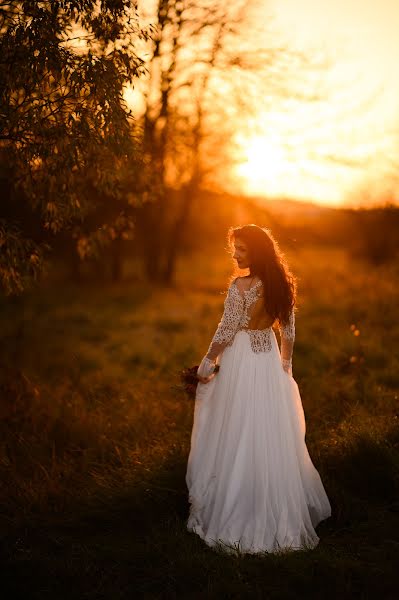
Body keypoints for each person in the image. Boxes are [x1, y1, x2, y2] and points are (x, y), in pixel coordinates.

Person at [185, 224, 331, 554]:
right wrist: (284, 370)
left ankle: (237, 508)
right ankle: (271, 505)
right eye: (233, 248)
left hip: (240, 359)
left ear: (258, 252)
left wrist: (208, 361)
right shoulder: (281, 284)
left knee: (237, 428)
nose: (235, 255)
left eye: (242, 250)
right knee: (266, 431)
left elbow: (226, 330)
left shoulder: (241, 285)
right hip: (268, 360)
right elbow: (289, 334)